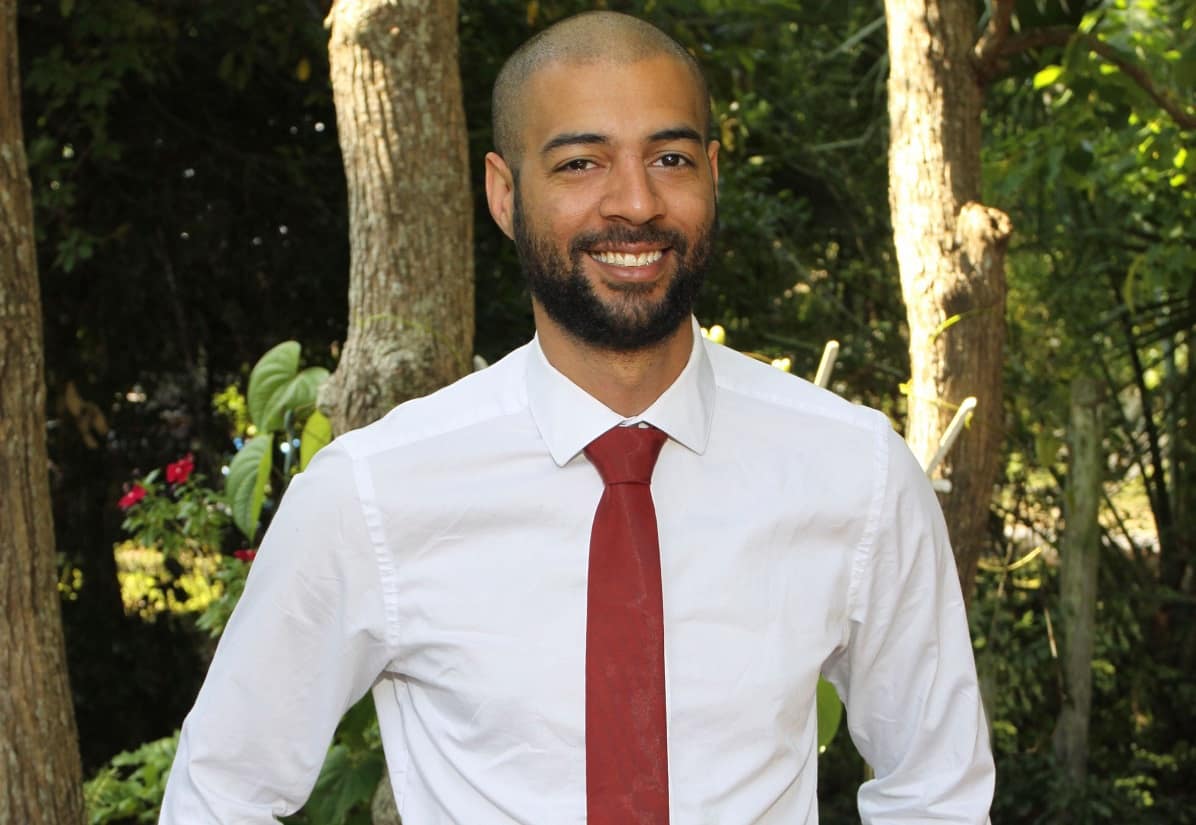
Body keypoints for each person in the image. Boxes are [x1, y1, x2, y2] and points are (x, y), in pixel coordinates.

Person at [159, 11, 994, 824]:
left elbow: (938, 787)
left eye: (668, 157)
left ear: (712, 171)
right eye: (580, 164)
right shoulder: (372, 493)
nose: (634, 203)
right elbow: (221, 792)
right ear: (502, 192)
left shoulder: (856, 472)